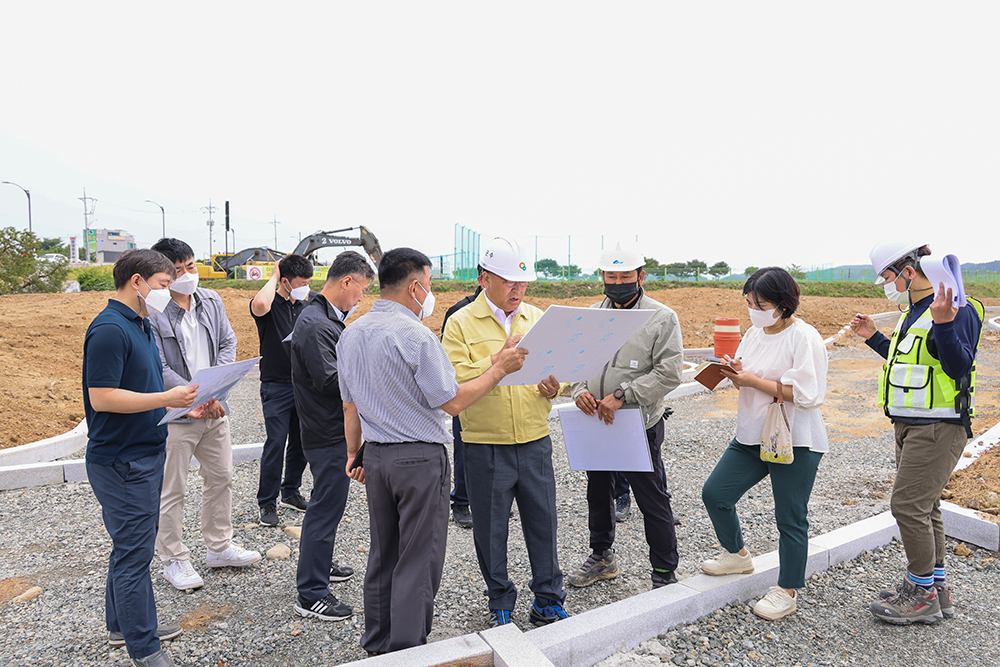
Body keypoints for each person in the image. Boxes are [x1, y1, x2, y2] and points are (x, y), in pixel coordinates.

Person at [337, 247, 526, 655]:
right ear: (416, 286)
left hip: (377, 457)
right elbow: (452, 401)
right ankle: (408, 650)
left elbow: (349, 405)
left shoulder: (352, 332)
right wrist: (499, 369)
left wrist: (355, 455)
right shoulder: (416, 335)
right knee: (418, 560)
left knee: (383, 553)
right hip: (419, 459)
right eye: (430, 285)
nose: (431, 293)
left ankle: (378, 644)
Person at [850, 242, 984, 625]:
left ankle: (920, 593)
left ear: (909, 271)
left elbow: (958, 364)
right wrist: (874, 337)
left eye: (889, 277)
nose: (887, 286)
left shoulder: (958, 307)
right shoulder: (914, 311)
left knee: (907, 506)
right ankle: (935, 587)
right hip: (912, 425)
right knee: (926, 507)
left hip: (939, 427)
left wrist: (945, 323)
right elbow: (910, 363)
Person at [441, 236, 568, 628]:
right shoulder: (460, 323)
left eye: (523, 281)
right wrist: (494, 361)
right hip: (484, 445)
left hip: (534, 438)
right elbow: (451, 381)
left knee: (543, 523)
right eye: (509, 280)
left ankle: (547, 598)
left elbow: (557, 371)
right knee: (491, 529)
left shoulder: (538, 318)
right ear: (484, 278)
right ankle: (500, 600)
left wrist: (554, 387)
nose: (518, 289)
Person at [83, 249, 197, 666]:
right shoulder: (110, 329)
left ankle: (123, 626)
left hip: (143, 452)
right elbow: (103, 396)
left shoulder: (141, 324)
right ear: (137, 281)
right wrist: (167, 398)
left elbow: (144, 385)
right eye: (164, 285)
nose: (169, 292)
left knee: (129, 547)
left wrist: (179, 405)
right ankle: (145, 649)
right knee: (134, 554)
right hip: (122, 461)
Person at [700, 267, 829, 621]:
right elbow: (749, 378)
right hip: (752, 434)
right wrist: (736, 372)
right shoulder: (755, 333)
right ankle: (737, 555)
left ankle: (787, 589)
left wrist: (753, 380)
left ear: (785, 303)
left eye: (761, 303)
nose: (754, 309)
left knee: (790, 516)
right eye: (749, 302)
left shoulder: (805, 337)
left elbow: (807, 394)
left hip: (794, 440)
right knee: (715, 493)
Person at [567, 242, 683, 590]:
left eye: (624, 276)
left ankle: (664, 572)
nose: (617, 282)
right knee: (598, 492)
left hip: (638, 422)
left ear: (640, 276)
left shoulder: (660, 317)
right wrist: (578, 391)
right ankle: (602, 557)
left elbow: (669, 373)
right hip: (596, 421)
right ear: (602, 276)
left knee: (651, 497)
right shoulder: (592, 315)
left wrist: (623, 395)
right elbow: (577, 363)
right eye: (610, 275)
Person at [149, 239, 261, 592]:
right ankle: (174, 557)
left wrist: (214, 394)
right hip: (177, 413)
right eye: (176, 270)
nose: (185, 275)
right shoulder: (152, 311)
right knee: (173, 487)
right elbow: (159, 365)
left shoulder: (211, 300)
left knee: (222, 477)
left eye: (190, 266)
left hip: (214, 408)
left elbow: (228, 344)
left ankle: (219, 545)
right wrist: (191, 397)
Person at [291, 251, 374, 621]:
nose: (361, 299)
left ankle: (319, 567)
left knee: (328, 508)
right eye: (361, 290)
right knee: (324, 510)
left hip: (328, 430)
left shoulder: (324, 319)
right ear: (347, 282)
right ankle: (310, 593)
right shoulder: (315, 324)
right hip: (327, 434)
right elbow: (330, 381)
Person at [250, 254, 315, 526]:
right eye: (302, 282)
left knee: (301, 442)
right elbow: (261, 304)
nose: (306, 287)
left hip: (302, 385)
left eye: (309, 282)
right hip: (275, 386)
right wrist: (275, 275)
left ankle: (291, 491)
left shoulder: (305, 305)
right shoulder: (269, 305)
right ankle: (267, 502)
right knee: (276, 443)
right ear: (286, 281)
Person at [439, 285, 482, 529]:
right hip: (466, 393)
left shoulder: (515, 313)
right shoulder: (460, 313)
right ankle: (462, 502)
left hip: (498, 396)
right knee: (465, 450)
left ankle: (487, 502)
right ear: (483, 279)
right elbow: (449, 362)